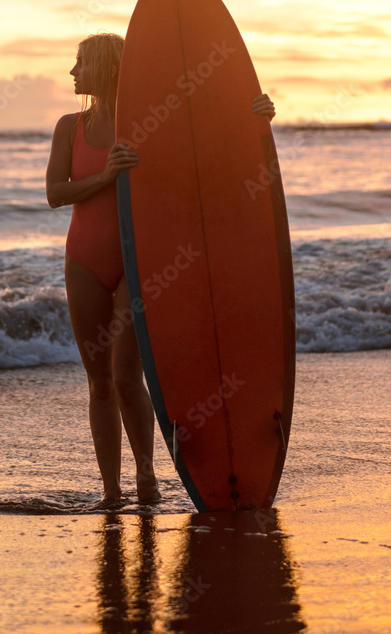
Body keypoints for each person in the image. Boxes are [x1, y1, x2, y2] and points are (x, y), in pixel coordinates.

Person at [45, 32, 276, 508]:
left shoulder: (149, 123)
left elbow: (205, 151)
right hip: (84, 260)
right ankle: (111, 492)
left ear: (107, 68)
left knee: (126, 374)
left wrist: (252, 115)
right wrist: (105, 176)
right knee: (99, 382)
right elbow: (55, 193)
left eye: (80, 63)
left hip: (140, 260)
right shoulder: (70, 127)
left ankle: (146, 477)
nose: (72, 71)